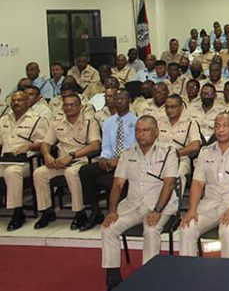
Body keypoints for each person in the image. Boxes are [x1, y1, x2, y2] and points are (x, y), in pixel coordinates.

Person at [101, 116, 178, 291]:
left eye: (145, 130)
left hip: (160, 205)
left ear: (156, 132)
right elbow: (118, 184)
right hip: (132, 205)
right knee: (108, 228)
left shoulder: (168, 152)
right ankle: (113, 280)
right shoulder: (127, 154)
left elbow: (169, 184)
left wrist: (157, 210)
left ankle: (148, 279)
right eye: (137, 130)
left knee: (151, 230)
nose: (140, 134)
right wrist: (112, 210)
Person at [180, 112, 229, 258]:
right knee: (187, 227)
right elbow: (197, 183)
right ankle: (189, 272)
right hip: (210, 204)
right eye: (217, 126)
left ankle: (227, 275)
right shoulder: (205, 151)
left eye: (225, 126)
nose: (220, 130)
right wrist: (192, 210)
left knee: (227, 229)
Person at [33, 93, 101, 229]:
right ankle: (47, 211)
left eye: (72, 105)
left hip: (82, 160)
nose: (69, 108)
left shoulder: (89, 121)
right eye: (66, 105)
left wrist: (71, 156)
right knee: (39, 173)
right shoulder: (57, 122)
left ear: (80, 107)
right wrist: (47, 156)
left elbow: (95, 145)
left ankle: (79, 212)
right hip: (60, 161)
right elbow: (46, 143)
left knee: (71, 173)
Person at [77, 89, 138, 232]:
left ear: (129, 100)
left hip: (129, 162)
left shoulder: (137, 121)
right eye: (116, 99)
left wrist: (120, 160)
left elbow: (137, 148)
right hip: (110, 160)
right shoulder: (109, 122)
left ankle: (118, 212)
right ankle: (95, 211)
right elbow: (106, 146)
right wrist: (104, 158)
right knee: (85, 171)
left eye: (122, 98)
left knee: (120, 175)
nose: (119, 101)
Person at [0, 91, 49, 230]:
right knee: (9, 169)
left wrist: (29, 146)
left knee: (12, 172)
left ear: (28, 102)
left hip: (27, 162)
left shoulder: (37, 120)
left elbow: (47, 142)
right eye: (14, 100)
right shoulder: (4, 119)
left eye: (20, 100)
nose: (16, 103)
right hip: (4, 160)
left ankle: (18, 212)